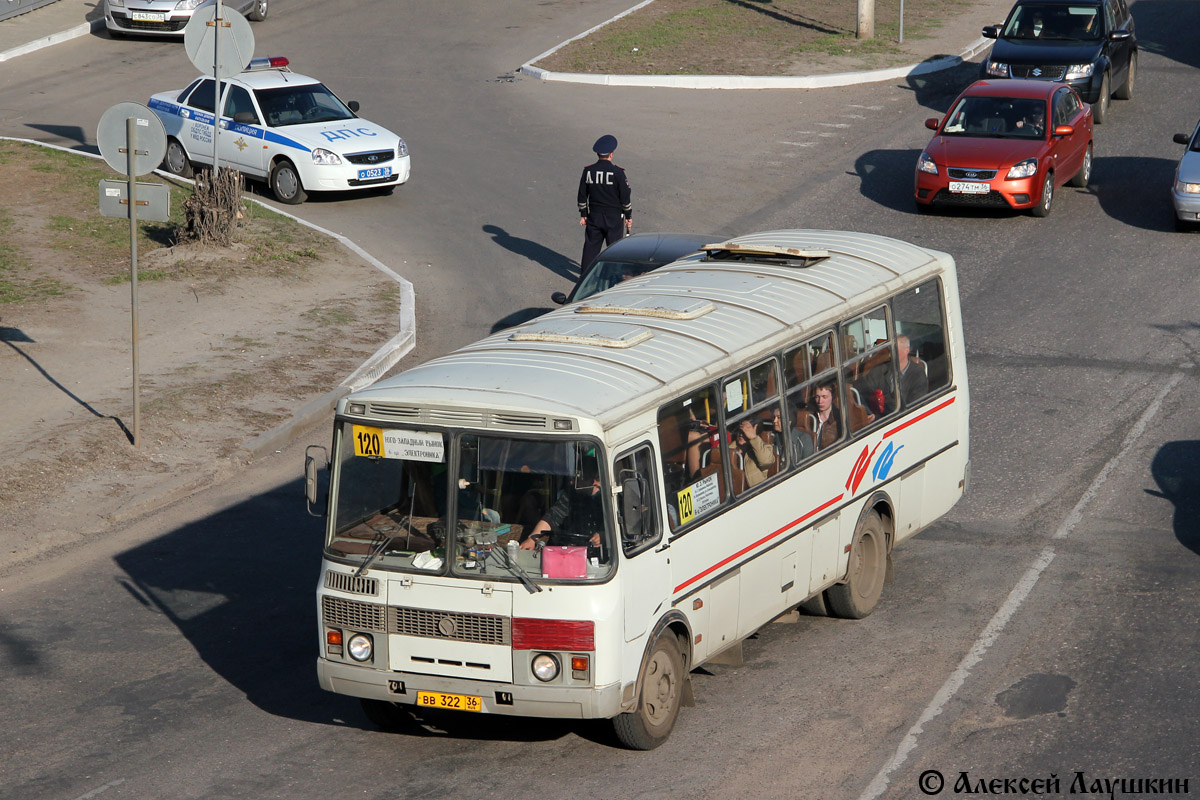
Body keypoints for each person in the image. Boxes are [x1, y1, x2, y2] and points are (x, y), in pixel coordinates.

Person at [577, 134, 632, 278]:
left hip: (594, 216)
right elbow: (625, 197)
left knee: (590, 249)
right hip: (613, 218)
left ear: (597, 154)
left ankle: (584, 279)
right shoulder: (618, 173)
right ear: (611, 154)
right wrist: (628, 216)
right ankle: (615, 278)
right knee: (615, 250)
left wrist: (583, 214)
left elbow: (582, 195)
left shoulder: (588, 171)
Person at [520, 462, 604, 551]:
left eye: (578, 477)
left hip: (598, 557)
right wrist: (532, 538)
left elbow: (617, 529)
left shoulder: (610, 500)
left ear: (592, 480)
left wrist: (604, 536)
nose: (572, 482)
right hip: (568, 549)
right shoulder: (571, 495)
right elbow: (553, 516)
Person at [733, 418, 774, 487]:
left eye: (746, 431)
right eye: (740, 431)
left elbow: (766, 461)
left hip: (753, 491)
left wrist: (753, 438)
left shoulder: (763, 448)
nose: (741, 434)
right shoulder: (731, 447)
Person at [807, 383, 841, 450]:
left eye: (824, 397)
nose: (820, 401)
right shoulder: (809, 417)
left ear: (832, 397)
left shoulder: (839, 418)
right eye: (817, 397)